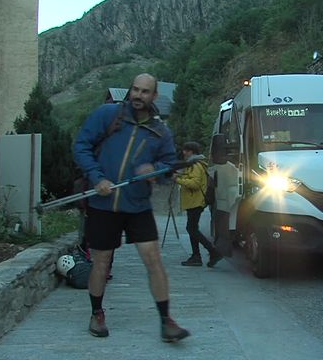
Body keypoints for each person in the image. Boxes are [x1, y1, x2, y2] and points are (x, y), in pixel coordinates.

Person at [73, 73, 190, 342]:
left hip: (137, 205)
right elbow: (81, 146)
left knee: (153, 259)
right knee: (101, 261)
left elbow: (169, 165)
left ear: (154, 96)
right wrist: (97, 176)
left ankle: (166, 320)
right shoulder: (108, 115)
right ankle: (96, 313)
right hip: (103, 202)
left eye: (145, 91)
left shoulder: (160, 131)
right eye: (135, 90)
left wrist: (156, 170)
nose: (139, 95)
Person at [172, 141, 222, 267]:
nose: (183, 153)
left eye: (186, 150)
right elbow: (192, 178)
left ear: (191, 152)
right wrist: (181, 175)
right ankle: (197, 256)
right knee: (192, 229)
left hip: (196, 201)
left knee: (192, 229)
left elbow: (194, 184)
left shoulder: (195, 165)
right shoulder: (194, 164)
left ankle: (212, 252)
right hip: (194, 201)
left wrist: (177, 179)